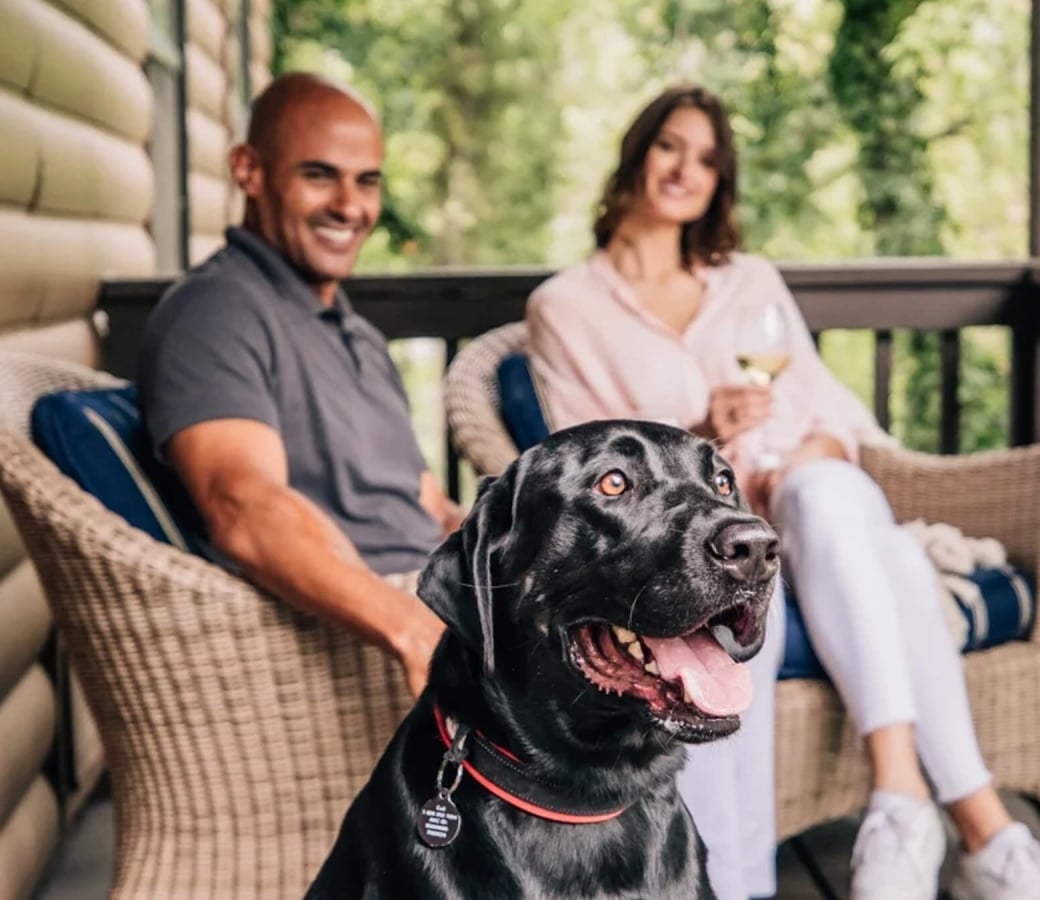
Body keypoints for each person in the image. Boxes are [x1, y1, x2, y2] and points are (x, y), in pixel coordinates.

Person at [525, 84, 1040, 900]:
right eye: (671, 147)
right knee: (897, 564)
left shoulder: (750, 282)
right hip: (696, 552)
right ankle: (979, 828)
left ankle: (903, 801)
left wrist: (799, 462)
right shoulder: (564, 308)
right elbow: (591, 475)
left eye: (706, 160)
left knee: (828, 491)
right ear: (635, 156)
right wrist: (702, 431)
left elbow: (841, 425)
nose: (685, 170)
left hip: (806, 524)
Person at [138, 72, 463, 707]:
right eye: (320, 175)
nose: (350, 206)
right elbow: (243, 508)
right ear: (248, 171)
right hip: (358, 653)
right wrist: (414, 630)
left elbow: (426, 502)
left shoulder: (357, 334)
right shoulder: (216, 314)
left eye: (366, 181)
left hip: (449, 606)